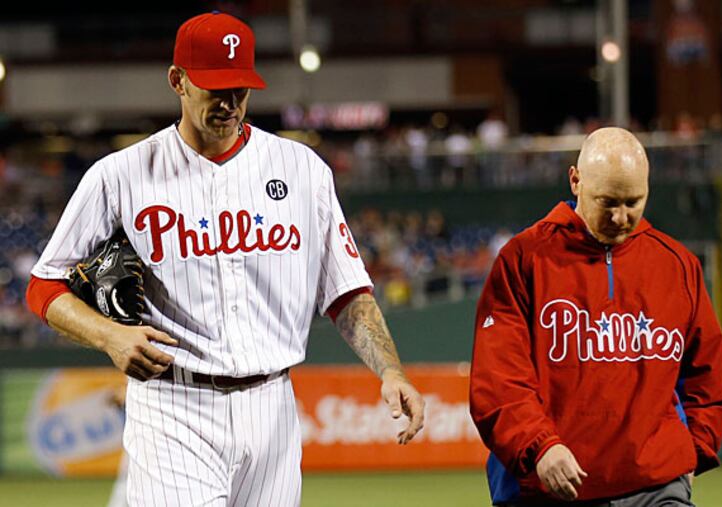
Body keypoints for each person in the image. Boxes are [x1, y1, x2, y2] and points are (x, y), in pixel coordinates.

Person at [25, 12, 424, 506]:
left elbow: (347, 295)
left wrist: (391, 371)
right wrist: (109, 335)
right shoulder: (120, 175)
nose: (230, 103)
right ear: (179, 81)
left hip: (272, 407)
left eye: (240, 87)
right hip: (175, 403)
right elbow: (43, 284)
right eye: (215, 87)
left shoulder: (302, 171)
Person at [470, 127, 722, 505]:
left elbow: (707, 374)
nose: (621, 217)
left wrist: (694, 449)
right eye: (607, 201)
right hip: (548, 485)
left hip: (656, 486)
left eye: (633, 201)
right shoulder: (525, 258)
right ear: (575, 181)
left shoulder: (677, 265)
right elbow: (497, 380)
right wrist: (539, 446)